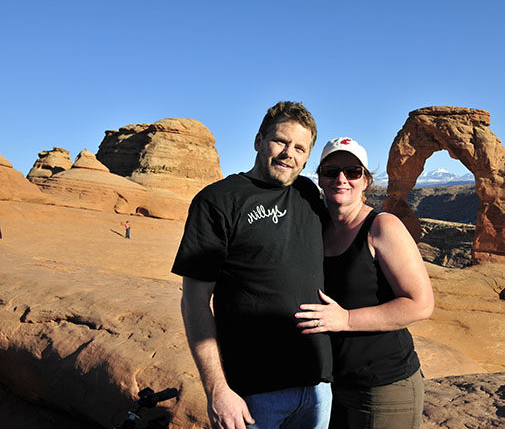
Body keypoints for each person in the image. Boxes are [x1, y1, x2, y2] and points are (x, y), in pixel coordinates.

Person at [172, 101, 333, 429]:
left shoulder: (307, 194)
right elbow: (194, 301)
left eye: (300, 148)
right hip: (252, 396)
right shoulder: (217, 201)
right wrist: (217, 390)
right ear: (259, 141)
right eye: (280, 141)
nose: (289, 153)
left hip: (317, 389)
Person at [295, 137, 434, 429]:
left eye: (353, 172)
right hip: (334, 386)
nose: (341, 179)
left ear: (366, 181)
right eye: (331, 171)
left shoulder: (382, 227)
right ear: (319, 178)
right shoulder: (316, 227)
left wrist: (345, 319)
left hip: (384, 386)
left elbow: (420, 304)